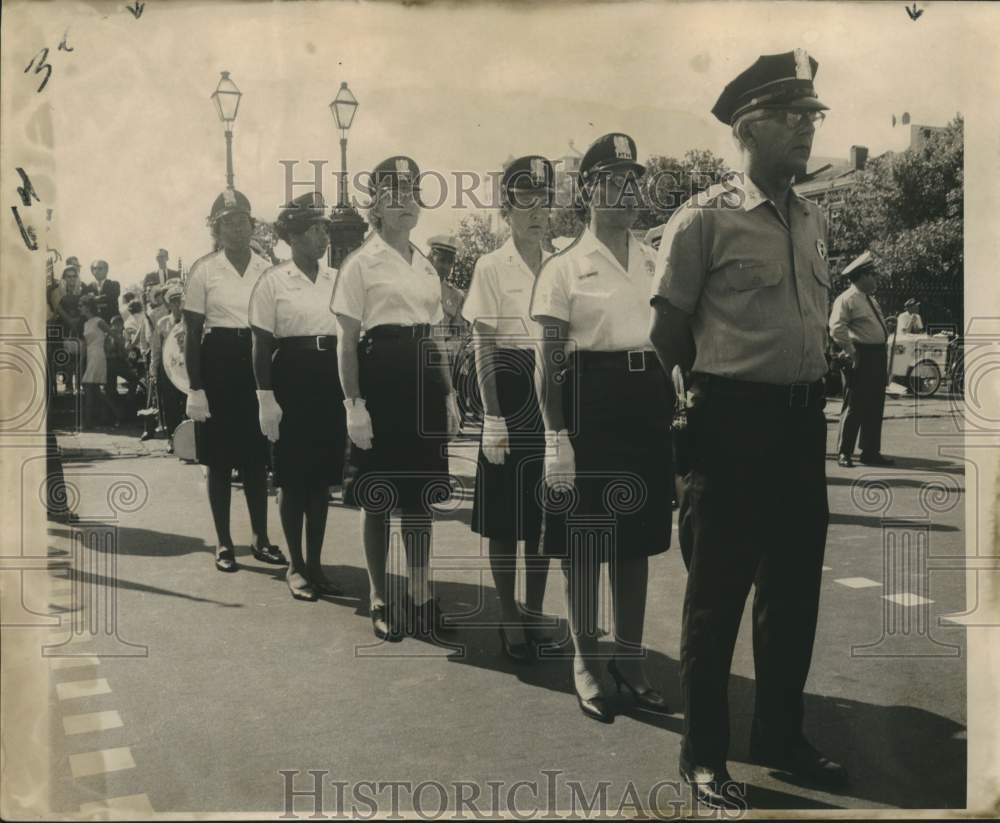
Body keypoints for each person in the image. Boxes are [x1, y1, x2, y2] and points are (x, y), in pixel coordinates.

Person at [649, 49, 846, 807]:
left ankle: (781, 735)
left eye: (812, 119)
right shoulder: (704, 218)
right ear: (749, 125)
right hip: (730, 424)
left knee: (793, 592)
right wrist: (685, 423)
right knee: (717, 596)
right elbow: (666, 334)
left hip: (800, 427)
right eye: (793, 119)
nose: (806, 131)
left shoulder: (813, 216)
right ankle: (703, 753)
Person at [531, 133, 672, 724]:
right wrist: (556, 438)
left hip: (645, 403)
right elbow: (549, 363)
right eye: (614, 179)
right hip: (589, 405)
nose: (628, 189)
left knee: (636, 541)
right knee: (587, 544)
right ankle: (586, 661)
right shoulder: (564, 268)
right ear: (589, 189)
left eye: (634, 178)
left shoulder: (652, 257)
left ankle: (630, 661)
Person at [332, 156, 461, 641]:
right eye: (396, 193)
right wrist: (353, 405)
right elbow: (346, 340)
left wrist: (448, 394)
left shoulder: (426, 267)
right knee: (378, 498)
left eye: (413, 192)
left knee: (420, 498)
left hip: (423, 384)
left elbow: (435, 335)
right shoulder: (359, 264)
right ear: (378, 207)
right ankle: (381, 597)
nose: (408, 201)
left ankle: (422, 594)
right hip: (380, 384)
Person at [463, 155, 554, 663]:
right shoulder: (491, 266)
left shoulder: (561, 259)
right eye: (525, 200)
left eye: (543, 199)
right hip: (510, 386)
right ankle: (507, 614)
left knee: (543, 511)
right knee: (504, 517)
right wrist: (492, 417)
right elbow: (483, 344)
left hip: (553, 387)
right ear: (507, 209)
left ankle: (536, 611)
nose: (537, 211)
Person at [249, 192, 346, 602]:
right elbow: (260, 344)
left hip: (329, 379)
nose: (324, 234)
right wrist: (265, 398)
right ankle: (295, 564)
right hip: (291, 377)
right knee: (291, 477)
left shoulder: (336, 279)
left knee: (321, 480)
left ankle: (317, 563)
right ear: (294, 236)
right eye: (315, 228)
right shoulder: (272, 281)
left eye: (324, 227)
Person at [183, 189, 285, 573]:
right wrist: (196, 387)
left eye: (242, 220)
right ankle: (224, 542)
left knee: (257, 459)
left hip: (257, 361)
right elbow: (192, 331)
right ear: (216, 228)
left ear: (253, 225)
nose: (236, 228)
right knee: (220, 460)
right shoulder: (204, 270)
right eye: (228, 222)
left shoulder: (267, 268)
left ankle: (261, 538)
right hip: (219, 361)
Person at [829, 250, 893, 468]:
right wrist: (850, 350)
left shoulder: (869, 299)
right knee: (855, 405)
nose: (875, 278)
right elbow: (836, 328)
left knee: (875, 404)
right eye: (872, 274)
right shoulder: (847, 299)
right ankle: (844, 452)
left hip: (876, 355)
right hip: (861, 355)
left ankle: (870, 451)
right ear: (862, 276)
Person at [152, 282, 187, 444]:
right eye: (173, 301)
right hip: (169, 371)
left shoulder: (191, 322)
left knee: (188, 405)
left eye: (180, 300)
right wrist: (154, 370)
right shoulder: (163, 323)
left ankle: (190, 440)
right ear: (168, 303)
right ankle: (172, 439)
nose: (177, 305)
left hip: (188, 371)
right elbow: (157, 350)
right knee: (170, 406)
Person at [79, 295, 119, 428]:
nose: (79, 308)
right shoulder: (85, 323)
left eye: (81, 305)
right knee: (94, 390)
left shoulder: (98, 321)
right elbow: (85, 344)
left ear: (88, 307)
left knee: (90, 388)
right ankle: (117, 413)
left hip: (98, 355)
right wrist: (81, 360)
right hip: (91, 355)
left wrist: (113, 348)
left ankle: (87, 422)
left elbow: (113, 334)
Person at [48, 266, 87, 395]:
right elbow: (58, 309)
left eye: (74, 276)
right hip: (64, 326)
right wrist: (71, 321)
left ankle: (81, 384)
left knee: (81, 357)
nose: (71, 279)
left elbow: (86, 308)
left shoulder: (82, 290)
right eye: (68, 276)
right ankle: (69, 385)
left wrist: (78, 320)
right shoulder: (57, 291)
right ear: (64, 278)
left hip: (80, 325)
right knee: (67, 357)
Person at [88, 260, 121, 324]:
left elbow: (111, 297)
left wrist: (93, 298)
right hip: (95, 323)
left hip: (112, 321)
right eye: (95, 268)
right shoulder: (89, 287)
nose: (97, 271)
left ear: (106, 270)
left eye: (100, 268)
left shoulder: (114, 284)